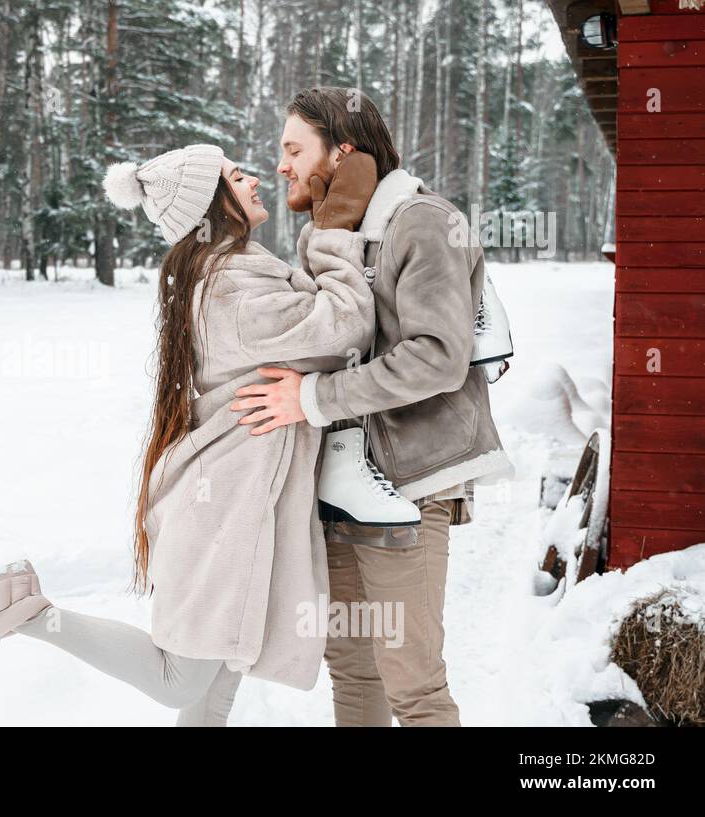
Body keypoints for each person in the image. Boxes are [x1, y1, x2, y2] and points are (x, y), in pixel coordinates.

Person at [0, 142, 384, 726]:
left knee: (212, 691)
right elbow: (348, 325)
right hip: (228, 513)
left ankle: (23, 606)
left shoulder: (233, 274)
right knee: (180, 679)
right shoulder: (235, 289)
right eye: (239, 179)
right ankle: (26, 609)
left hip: (239, 505)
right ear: (212, 206)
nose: (257, 181)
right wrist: (336, 230)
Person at [231, 87, 515, 726]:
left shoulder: (424, 222)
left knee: (413, 686)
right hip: (336, 486)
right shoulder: (329, 234)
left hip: (408, 487)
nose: (281, 166)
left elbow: (437, 357)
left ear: (344, 150)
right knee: (355, 675)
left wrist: (311, 399)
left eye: (295, 149)